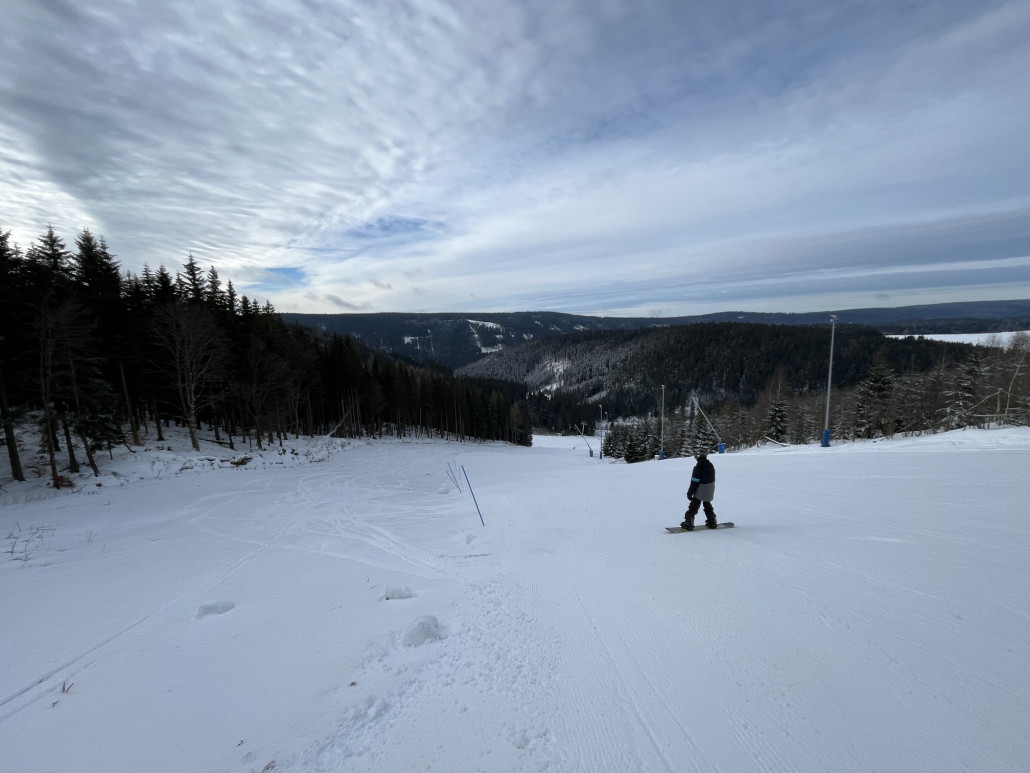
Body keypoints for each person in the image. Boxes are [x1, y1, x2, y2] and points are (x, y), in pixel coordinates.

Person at [681, 450, 717, 530]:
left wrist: (689, 493)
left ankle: (689, 523)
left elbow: (694, 482)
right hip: (710, 488)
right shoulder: (711, 465)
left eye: (696, 456)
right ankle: (712, 521)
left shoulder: (698, 467)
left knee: (694, 504)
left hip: (701, 488)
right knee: (707, 503)